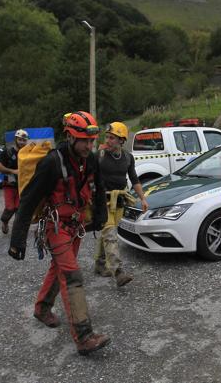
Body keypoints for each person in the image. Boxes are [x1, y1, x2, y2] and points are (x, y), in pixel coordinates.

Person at [8, 111, 109, 356]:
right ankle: (84, 336)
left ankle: (42, 308)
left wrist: (99, 216)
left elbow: (98, 188)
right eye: (83, 140)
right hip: (55, 227)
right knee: (72, 275)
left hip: (76, 226)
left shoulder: (91, 159)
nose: (88, 145)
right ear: (70, 137)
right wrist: (17, 240)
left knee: (61, 269)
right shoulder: (52, 162)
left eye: (91, 141)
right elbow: (29, 200)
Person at [94, 121, 149, 287]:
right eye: (107, 137)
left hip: (118, 201)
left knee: (108, 233)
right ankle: (118, 272)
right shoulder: (100, 155)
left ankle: (100, 264)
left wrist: (143, 198)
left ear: (121, 140)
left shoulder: (127, 157)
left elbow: (134, 179)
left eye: (112, 138)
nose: (108, 140)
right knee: (110, 234)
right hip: (101, 200)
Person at [0, 129, 29, 234]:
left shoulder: (28, 154)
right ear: (16, 139)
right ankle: (5, 222)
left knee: (20, 209)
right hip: (9, 185)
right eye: (20, 140)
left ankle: (17, 229)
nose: (22, 142)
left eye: (24, 140)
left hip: (23, 185)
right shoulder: (7, 152)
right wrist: (13, 171)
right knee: (10, 208)